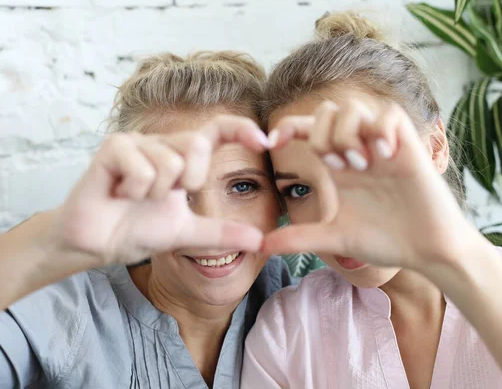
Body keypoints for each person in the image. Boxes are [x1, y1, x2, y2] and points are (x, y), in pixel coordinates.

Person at [242, 12, 502, 389]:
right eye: (299, 190)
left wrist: (456, 260)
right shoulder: (288, 334)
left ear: (435, 146)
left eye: (360, 166)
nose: (332, 219)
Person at [0, 51, 293, 388]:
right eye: (173, 188)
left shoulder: (298, 303)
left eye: (243, 186)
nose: (210, 228)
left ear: (280, 196)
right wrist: (58, 238)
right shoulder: (58, 312)